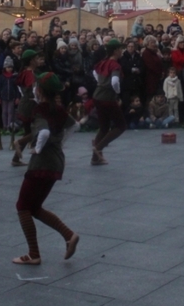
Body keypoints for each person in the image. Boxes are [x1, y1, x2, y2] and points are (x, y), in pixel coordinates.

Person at [12, 72, 80, 265]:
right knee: (34, 207)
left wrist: (37, 148)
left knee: (23, 207)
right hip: (57, 162)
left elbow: (43, 131)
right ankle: (69, 235)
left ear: (39, 90)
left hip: (41, 164)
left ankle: (34, 254)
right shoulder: (58, 109)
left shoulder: (40, 109)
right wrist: (61, 142)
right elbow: (74, 126)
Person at [91, 39, 125, 166]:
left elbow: (94, 72)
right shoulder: (115, 65)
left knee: (104, 127)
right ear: (116, 50)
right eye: (120, 49)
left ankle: (95, 159)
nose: (122, 51)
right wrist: (117, 92)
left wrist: (101, 83)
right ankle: (99, 148)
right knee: (121, 126)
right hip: (107, 98)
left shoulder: (102, 62)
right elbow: (115, 82)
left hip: (97, 96)